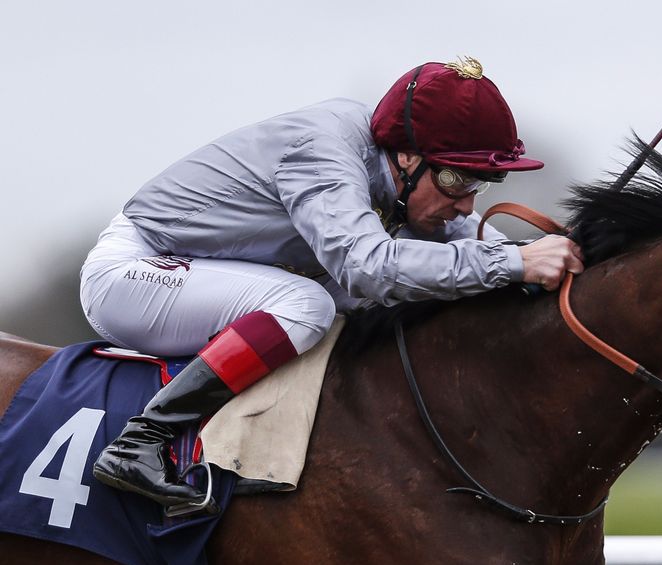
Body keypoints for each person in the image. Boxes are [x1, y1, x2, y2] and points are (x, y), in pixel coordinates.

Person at [79, 57, 584, 507]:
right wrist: (512, 265)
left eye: (481, 183)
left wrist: (539, 257)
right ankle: (141, 441)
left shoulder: (399, 167)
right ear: (407, 156)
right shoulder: (323, 151)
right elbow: (368, 267)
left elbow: (464, 238)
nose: (467, 200)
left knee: (385, 297)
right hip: (138, 271)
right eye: (456, 180)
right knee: (308, 305)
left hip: (223, 273)